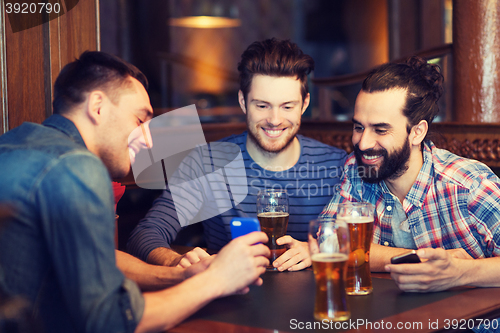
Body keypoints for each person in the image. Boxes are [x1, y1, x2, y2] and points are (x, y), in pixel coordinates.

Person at [0, 51, 270, 333]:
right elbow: (111, 321)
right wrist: (216, 279)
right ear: (98, 106)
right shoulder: (78, 166)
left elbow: (96, 255)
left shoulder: (13, 143)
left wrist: (181, 275)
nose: (149, 140)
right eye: (141, 121)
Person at [127, 38, 347, 272]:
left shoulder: (337, 164)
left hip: (315, 300)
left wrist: (320, 250)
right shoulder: (207, 162)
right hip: (232, 299)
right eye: (262, 106)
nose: (274, 120)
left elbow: (365, 241)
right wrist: (175, 261)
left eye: (287, 106)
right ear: (243, 102)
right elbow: (145, 234)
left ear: (304, 104)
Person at [321, 56, 500, 293]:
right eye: (358, 127)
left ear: (417, 132)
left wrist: (459, 273)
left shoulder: (470, 185)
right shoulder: (357, 169)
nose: (363, 143)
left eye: (380, 129)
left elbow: (345, 249)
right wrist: (420, 260)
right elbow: (329, 242)